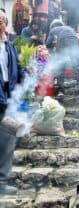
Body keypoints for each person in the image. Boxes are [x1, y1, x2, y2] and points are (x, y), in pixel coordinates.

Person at [0, 11, 24, 195]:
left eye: (1, 20)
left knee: (7, 141)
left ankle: (1, 182)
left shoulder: (10, 47)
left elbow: (18, 69)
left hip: (6, 99)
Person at [46, 19, 79, 97]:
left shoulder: (53, 30)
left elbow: (47, 44)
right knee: (76, 66)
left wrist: (53, 48)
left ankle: (60, 90)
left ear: (52, 27)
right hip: (75, 42)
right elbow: (76, 41)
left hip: (63, 41)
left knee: (60, 66)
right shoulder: (69, 28)